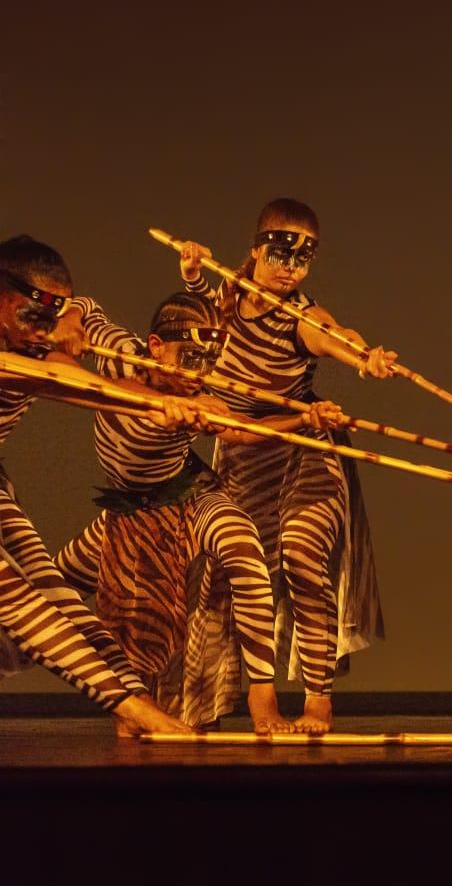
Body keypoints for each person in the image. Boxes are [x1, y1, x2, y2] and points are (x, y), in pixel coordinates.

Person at [56, 291, 348, 732]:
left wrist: (305, 420)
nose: (200, 372)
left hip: (187, 498)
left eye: (209, 359)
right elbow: (85, 306)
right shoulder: (117, 353)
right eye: (190, 357)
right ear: (156, 347)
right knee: (45, 590)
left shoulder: (203, 398)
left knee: (242, 545)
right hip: (127, 517)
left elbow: (244, 433)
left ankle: (263, 698)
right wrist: (71, 321)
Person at [179, 198, 393, 733]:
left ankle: (318, 700)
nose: (290, 269)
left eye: (302, 260)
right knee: (246, 575)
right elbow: (203, 312)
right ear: (254, 251)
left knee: (302, 555)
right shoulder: (226, 295)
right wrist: (190, 274)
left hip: (306, 446)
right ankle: (261, 700)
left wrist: (362, 357)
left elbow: (331, 332)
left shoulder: (299, 315)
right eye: (280, 255)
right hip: (245, 454)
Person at [0, 234, 190, 735]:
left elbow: (88, 360)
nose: (41, 333)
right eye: (31, 318)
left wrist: (161, 398)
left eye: (49, 320)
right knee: (11, 593)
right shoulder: (21, 356)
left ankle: (133, 698)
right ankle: (133, 709)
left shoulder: (38, 334)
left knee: (52, 587)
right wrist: (148, 402)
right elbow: (73, 384)